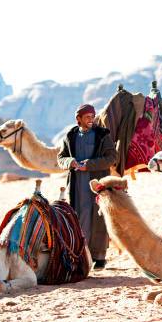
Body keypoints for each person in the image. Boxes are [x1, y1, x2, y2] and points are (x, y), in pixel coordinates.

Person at [57, 104, 116, 269]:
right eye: (88, 117)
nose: (91, 120)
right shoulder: (70, 136)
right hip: (77, 185)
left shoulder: (102, 135)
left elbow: (112, 157)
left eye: (93, 116)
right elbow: (61, 158)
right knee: (79, 217)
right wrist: (70, 162)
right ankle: (81, 254)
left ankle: (99, 256)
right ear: (79, 119)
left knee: (98, 218)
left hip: (97, 184)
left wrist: (89, 165)